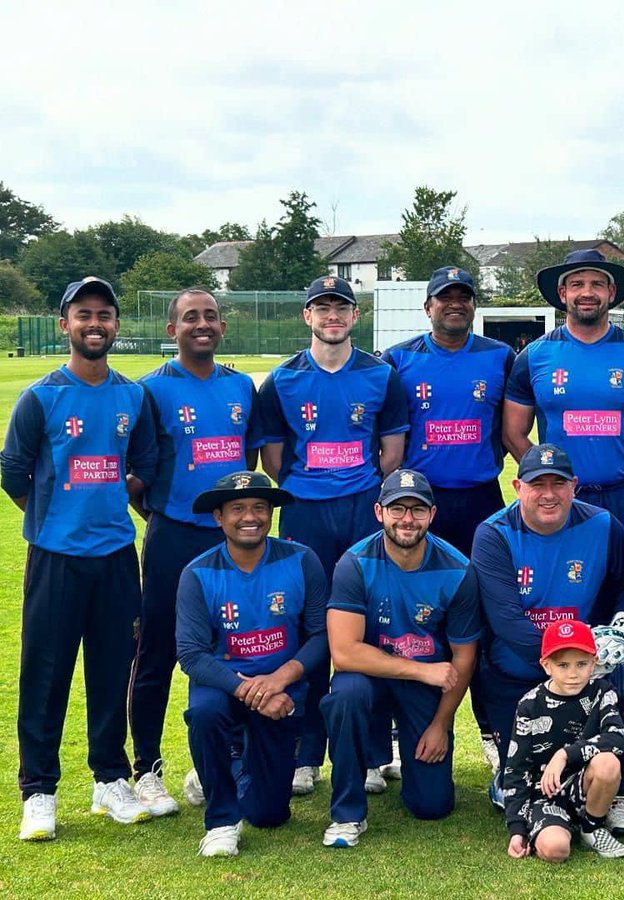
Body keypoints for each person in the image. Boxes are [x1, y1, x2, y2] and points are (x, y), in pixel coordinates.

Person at [0, 277, 158, 841]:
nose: (96, 324)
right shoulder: (40, 397)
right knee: (45, 674)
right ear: (65, 324)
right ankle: (38, 792)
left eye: (105, 315)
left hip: (115, 555)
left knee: (112, 670)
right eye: (83, 315)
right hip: (55, 559)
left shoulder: (132, 395)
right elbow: (13, 474)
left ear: (117, 325)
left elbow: (144, 463)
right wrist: (56, 518)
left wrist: (109, 499)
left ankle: (110, 780)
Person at [256, 274, 409, 794]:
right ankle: (305, 753)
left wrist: (360, 487)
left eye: (341, 308)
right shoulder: (281, 381)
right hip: (305, 511)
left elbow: (391, 453)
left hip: (361, 508)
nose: (332, 317)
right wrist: (308, 486)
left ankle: (370, 753)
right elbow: (276, 460)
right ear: (308, 317)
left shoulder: (381, 375)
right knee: (308, 624)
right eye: (322, 308)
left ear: (354, 315)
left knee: (366, 624)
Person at [471, 443, 624, 837]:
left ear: (575, 485)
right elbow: (506, 621)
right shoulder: (493, 534)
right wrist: (576, 655)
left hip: (585, 675)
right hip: (519, 673)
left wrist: (623, 624)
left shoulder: (604, 525)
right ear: (518, 486)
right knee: (521, 788)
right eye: (538, 484)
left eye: (559, 483)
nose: (549, 494)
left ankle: (621, 795)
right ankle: (513, 774)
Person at [127, 287, 262, 816]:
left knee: (234, 646)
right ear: (171, 330)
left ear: (222, 327)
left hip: (229, 538)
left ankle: (222, 758)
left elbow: (247, 462)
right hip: (174, 535)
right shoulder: (151, 390)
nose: (201, 324)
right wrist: (166, 518)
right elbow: (139, 474)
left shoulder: (240, 387)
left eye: (210, 316)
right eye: (189, 318)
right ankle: (146, 769)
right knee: (157, 649)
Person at [380, 266, 515, 769]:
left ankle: (491, 728)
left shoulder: (501, 357)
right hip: (419, 504)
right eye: (444, 297)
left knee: (482, 614)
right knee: (407, 609)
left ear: (473, 306)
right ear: (428, 306)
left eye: (463, 297)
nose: (454, 304)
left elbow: (512, 427)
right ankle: (399, 729)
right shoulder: (399, 360)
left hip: (481, 499)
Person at [320, 469, 480, 848]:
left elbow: (464, 657)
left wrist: (441, 724)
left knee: (432, 805)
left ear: (432, 515)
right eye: (397, 508)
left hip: (422, 686)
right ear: (379, 512)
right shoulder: (355, 563)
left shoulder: (457, 570)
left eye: (417, 509)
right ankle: (347, 814)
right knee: (346, 694)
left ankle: (405, 764)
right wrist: (421, 670)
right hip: (372, 676)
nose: (407, 519)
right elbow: (343, 653)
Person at [176, 471, 328, 858]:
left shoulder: (302, 560)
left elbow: (321, 637)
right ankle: (221, 822)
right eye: (238, 509)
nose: (250, 517)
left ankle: (215, 775)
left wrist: (279, 679)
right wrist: (248, 689)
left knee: (269, 814)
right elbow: (191, 654)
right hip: (226, 686)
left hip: (282, 691)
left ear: (271, 513)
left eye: (260, 508)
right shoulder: (198, 573)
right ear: (219, 518)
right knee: (205, 711)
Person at [502, 248, 624, 545]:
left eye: (597, 284)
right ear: (563, 292)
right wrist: (549, 480)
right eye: (577, 284)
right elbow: (513, 433)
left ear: (611, 291)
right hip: (559, 504)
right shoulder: (535, 356)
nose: (587, 293)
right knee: (562, 588)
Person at [502, 620, 624, 862]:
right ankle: (552, 828)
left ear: (595, 662)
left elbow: (616, 737)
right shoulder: (529, 705)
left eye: (582, 664)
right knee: (556, 850)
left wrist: (564, 755)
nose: (573, 674)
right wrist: (517, 829)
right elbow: (515, 769)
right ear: (546, 666)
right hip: (545, 794)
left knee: (608, 762)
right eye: (563, 665)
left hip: (585, 786)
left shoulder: (603, 691)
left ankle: (592, 827)